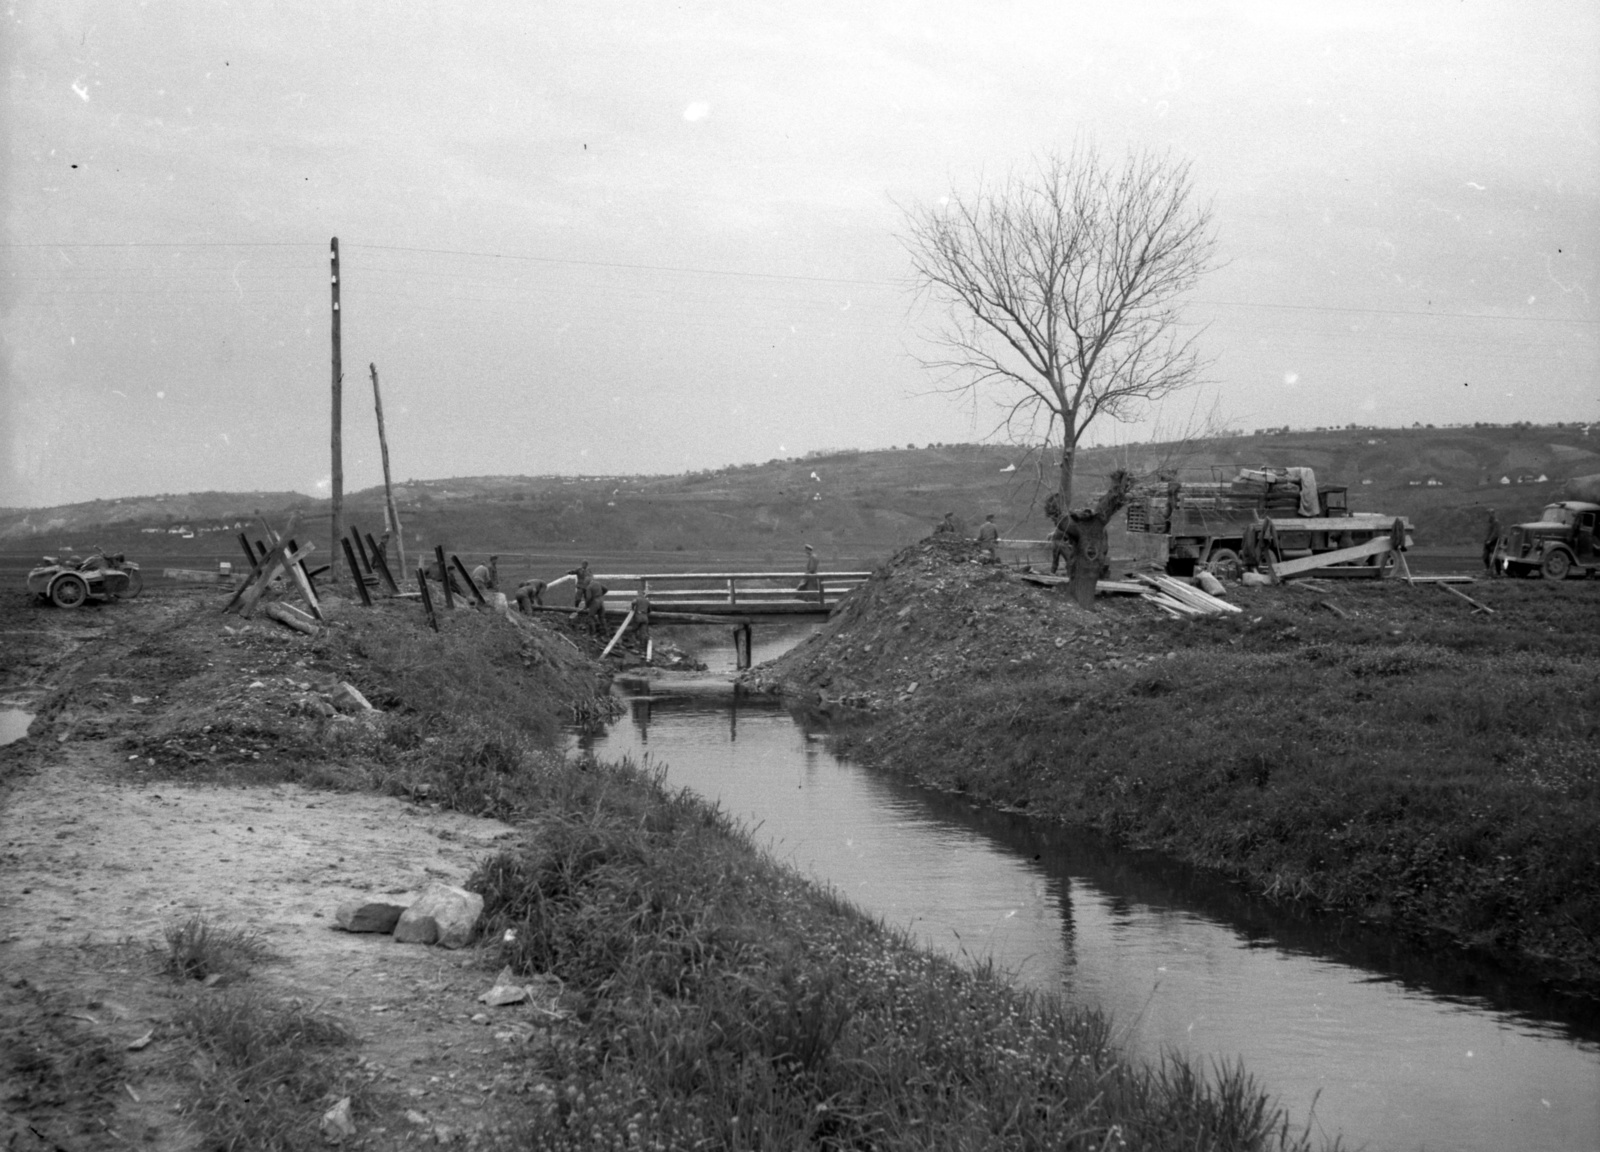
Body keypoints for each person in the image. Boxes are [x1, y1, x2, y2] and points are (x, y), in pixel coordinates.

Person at [1483, 511, 1502, 575]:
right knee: (1485, 557)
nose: (1489, 516)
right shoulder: (1488, 523)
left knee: (1495, 558)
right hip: (1487, 542)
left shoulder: (1496, 522)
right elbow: (1487, 532)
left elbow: (1495, 532)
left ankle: (1498, 571)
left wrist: (1490, 540)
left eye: (1490, 514)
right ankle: (1488, 569)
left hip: (1494, 542)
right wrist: (1486, 540)